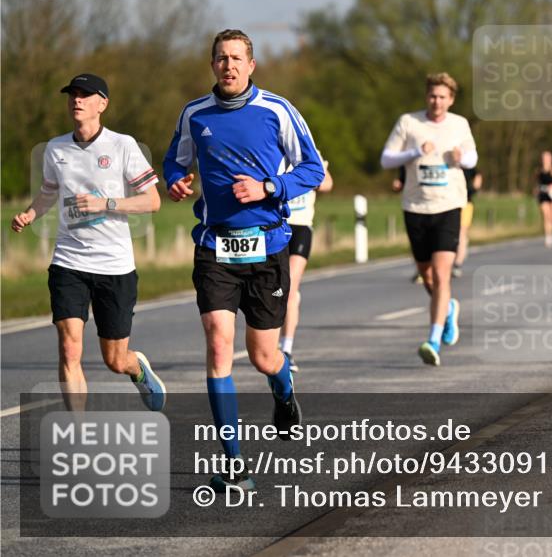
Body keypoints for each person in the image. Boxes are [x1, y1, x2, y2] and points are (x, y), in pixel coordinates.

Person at [164, 29, 324, 492]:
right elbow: (176, 161)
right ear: (212, 65)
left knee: (263, 355)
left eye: (237, 58)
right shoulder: (195, 113)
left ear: (251, 65)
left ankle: (285, 390)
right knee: (218, 344)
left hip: (269, 246)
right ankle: (235, 465)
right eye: (220, 58)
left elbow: (312, 169)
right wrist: (176, 181)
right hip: (215, 246)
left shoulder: (277, 110)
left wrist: (269, 188)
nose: (228, 66)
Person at [11, 74, 165, 413]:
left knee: (114, 359)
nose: (76, 100)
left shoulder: (123, 145)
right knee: (69, 349)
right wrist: (30, 214)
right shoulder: (56, 148)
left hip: (114, 265)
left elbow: (152, 201)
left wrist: (107, 204)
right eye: (72, 95)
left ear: (102, 104)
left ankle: (136, 367)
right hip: (69, 261)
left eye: (85, 95)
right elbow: (49, 192)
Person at [380, 72, 477, 366]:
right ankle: (447, 310)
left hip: (449, 206)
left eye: (443, 97)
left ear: (451, 100)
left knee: (442, 272)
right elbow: (386, 159)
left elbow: (473, 158)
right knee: (427, 276)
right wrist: (413, 152)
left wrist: (461, 157)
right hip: (415, 207)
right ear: (427, 97)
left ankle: (433, 338)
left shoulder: (459, 124)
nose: (437, 101)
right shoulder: (409, 123)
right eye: (433, 96)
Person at [279, 160, 334, 372]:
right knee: (274, 289)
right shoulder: (270, 148)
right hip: (275, 226)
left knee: (290, 289)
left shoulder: (308, 150)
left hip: (300, 227)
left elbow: (328, 183)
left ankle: (286, 349)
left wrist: (315, 178)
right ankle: (271, 345)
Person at [453, 166, 482, 277]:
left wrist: (474, 189)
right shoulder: (447, 162)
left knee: (461, 233)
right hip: (450, 203)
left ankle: (457, 265)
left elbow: (478, 175)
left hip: (466, 203)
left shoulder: (467, 164)